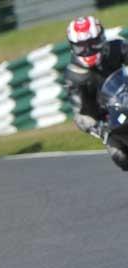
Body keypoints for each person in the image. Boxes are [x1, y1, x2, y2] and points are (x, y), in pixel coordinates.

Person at [64, 15, 128, 169]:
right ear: (73, 47)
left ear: (102, 38)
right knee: (120, 157)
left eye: (93, 43)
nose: (88, 50)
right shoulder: (73, 75)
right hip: (109, 120)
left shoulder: (118, 48)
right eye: (82, 46)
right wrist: (97, 128)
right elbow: (80, 113)